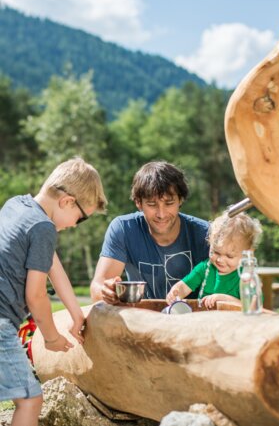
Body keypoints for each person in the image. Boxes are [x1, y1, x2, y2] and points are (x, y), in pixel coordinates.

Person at [0, 157, 107, 426]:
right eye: (80, 218)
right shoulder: (44, 227)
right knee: (30, 400)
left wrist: (76, 314)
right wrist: (50, 337)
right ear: (67, 201)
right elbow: (35, 295)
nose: (74, 225)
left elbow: (52, 265)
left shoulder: (16, 205)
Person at [90, 161, 209, 303]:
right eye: (152, 204)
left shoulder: (206, 233)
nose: (161, 214)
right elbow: (97, 287)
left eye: (169, 203)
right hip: (142, 320)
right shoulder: (123, 229)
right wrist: (106, 291)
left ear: (180, 200)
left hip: (194, 319)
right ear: (138, 203)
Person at [166, 211, 262, 309]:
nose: (220, 260)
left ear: (247, 254)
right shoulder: (205, 268)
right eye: (215, 252)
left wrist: (222, 299)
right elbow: (184, 286)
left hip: (235, 323)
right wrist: (176, 292)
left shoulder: (246, 277)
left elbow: (253, 306)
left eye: (229, 256)